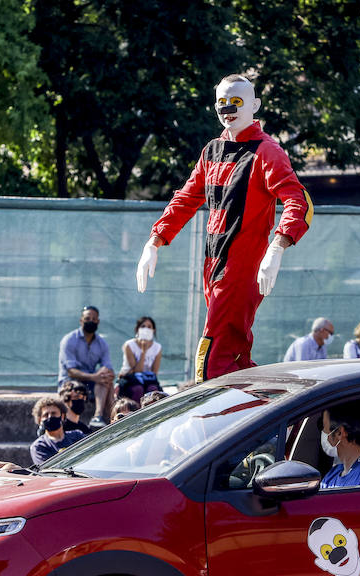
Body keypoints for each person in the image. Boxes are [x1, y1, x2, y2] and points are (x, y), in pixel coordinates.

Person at [138, 74, 312, 382]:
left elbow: (298, 200)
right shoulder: (212, 150)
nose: (227, 109)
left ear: (255, 105)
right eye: (222, 102)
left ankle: (213, 425)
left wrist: (277, 246)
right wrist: (154, 241)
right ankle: (276, 410)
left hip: (242, 267)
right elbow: (186, 198)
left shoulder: (267, 151)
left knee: (214, 357)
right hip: (214, 265)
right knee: (234, 354)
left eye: (236, 102)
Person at [57, 306, 114, 427]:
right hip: (70, 382)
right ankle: (113, 419)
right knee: (100, 379)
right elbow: (71, 371)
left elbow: (109, 368)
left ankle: (98, 417)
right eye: (88, 318)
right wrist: (95, 377)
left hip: (91, 383)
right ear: (81, 320)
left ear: (98, 321)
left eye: (94, 319)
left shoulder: (102, 343)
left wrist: (106, 373)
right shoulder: (69, 340)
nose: (91, 321)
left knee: (106, 379)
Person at [118, 316, 162, 403]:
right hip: (131, 380)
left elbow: (154, 372)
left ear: (154, 330)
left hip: (148, 380)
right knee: (138, 389)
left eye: (149, 327)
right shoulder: (129, 345)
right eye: (143, 326)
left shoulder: (157, 347)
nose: (146, 329)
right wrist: (143, 351)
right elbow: (137, 371)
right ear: (137, 329)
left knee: (153, 390)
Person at [31, 397, 85, 466]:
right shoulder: (39, 446)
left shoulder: (77, 436)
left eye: (53, 413)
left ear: (62, 416)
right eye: (46, 415)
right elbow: (48, 471)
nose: (50, 417)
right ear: (40, 419)